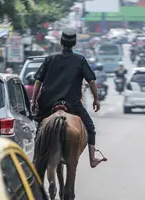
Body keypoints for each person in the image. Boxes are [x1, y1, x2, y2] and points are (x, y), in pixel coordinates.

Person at [30, 27, 107, 168]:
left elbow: (38, 82)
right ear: (74, 43)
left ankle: (36, 159)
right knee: (90, 128)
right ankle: (92, 158)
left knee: (39, 128)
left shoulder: (50, 59)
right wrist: (96, 99)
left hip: (48, 103)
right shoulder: (80, 60)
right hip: (72, 104)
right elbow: (91, 81)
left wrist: (34, 101)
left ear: (61, 42)